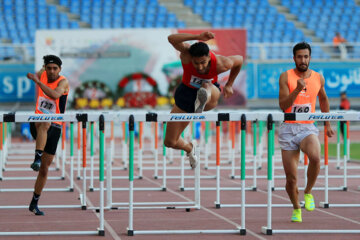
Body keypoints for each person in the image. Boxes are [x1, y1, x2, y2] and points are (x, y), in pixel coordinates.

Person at [164, 31, 243, 168]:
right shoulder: (187, 53)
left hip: (210, 93)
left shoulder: (221, 63)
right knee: (170, 142)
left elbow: (239, 60)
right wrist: (198, 37)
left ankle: (203, 98)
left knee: (207, 85)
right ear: (191, 58)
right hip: (186, 94)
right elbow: (171, 38)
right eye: (196, 63)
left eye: (203, 63)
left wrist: (229, 84)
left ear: (209, 57)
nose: (200, 67)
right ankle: (190, 148)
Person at [278, 42, 334, 222]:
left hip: (307, 127)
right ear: (294, 58)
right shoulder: (285, 76)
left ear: (310, 58)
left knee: (316, 157)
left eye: (306, 56)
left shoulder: (318, 77)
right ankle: (296, 207)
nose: (303, 60)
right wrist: (296, 89)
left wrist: (328, 124)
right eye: (300, 57)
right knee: (291, 179)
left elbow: (324, 100)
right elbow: (283, 106)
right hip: (288, 127)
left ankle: (308, 192)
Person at [27, 55, 69, 215]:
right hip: (38, 122)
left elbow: (55, 96)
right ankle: (37, 157)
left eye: (55, 69)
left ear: (60, 70)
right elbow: (36, 74)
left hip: (56, 127)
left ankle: (34, 202)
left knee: (44, 169)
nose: (51, 71)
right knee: (45, 121)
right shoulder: (42, 73)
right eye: (49, 68)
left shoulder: (63, 82)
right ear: (45, 67)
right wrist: (35, 76)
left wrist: (37, 81)